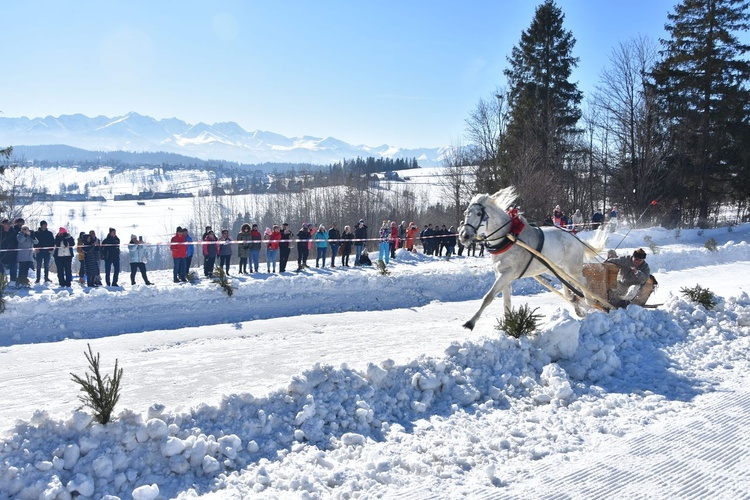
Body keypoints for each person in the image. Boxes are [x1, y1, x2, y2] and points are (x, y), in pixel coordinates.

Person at [0, 218, 18, 283]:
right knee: (1, 269)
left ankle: (13, 281)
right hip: (1, 254)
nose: (7, 226)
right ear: (2, 224)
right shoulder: (1, 232)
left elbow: (16, 242)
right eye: (5, 224)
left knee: (13, 267)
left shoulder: (13, 232)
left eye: (8, 224)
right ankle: (1, 282)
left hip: (11, 253)